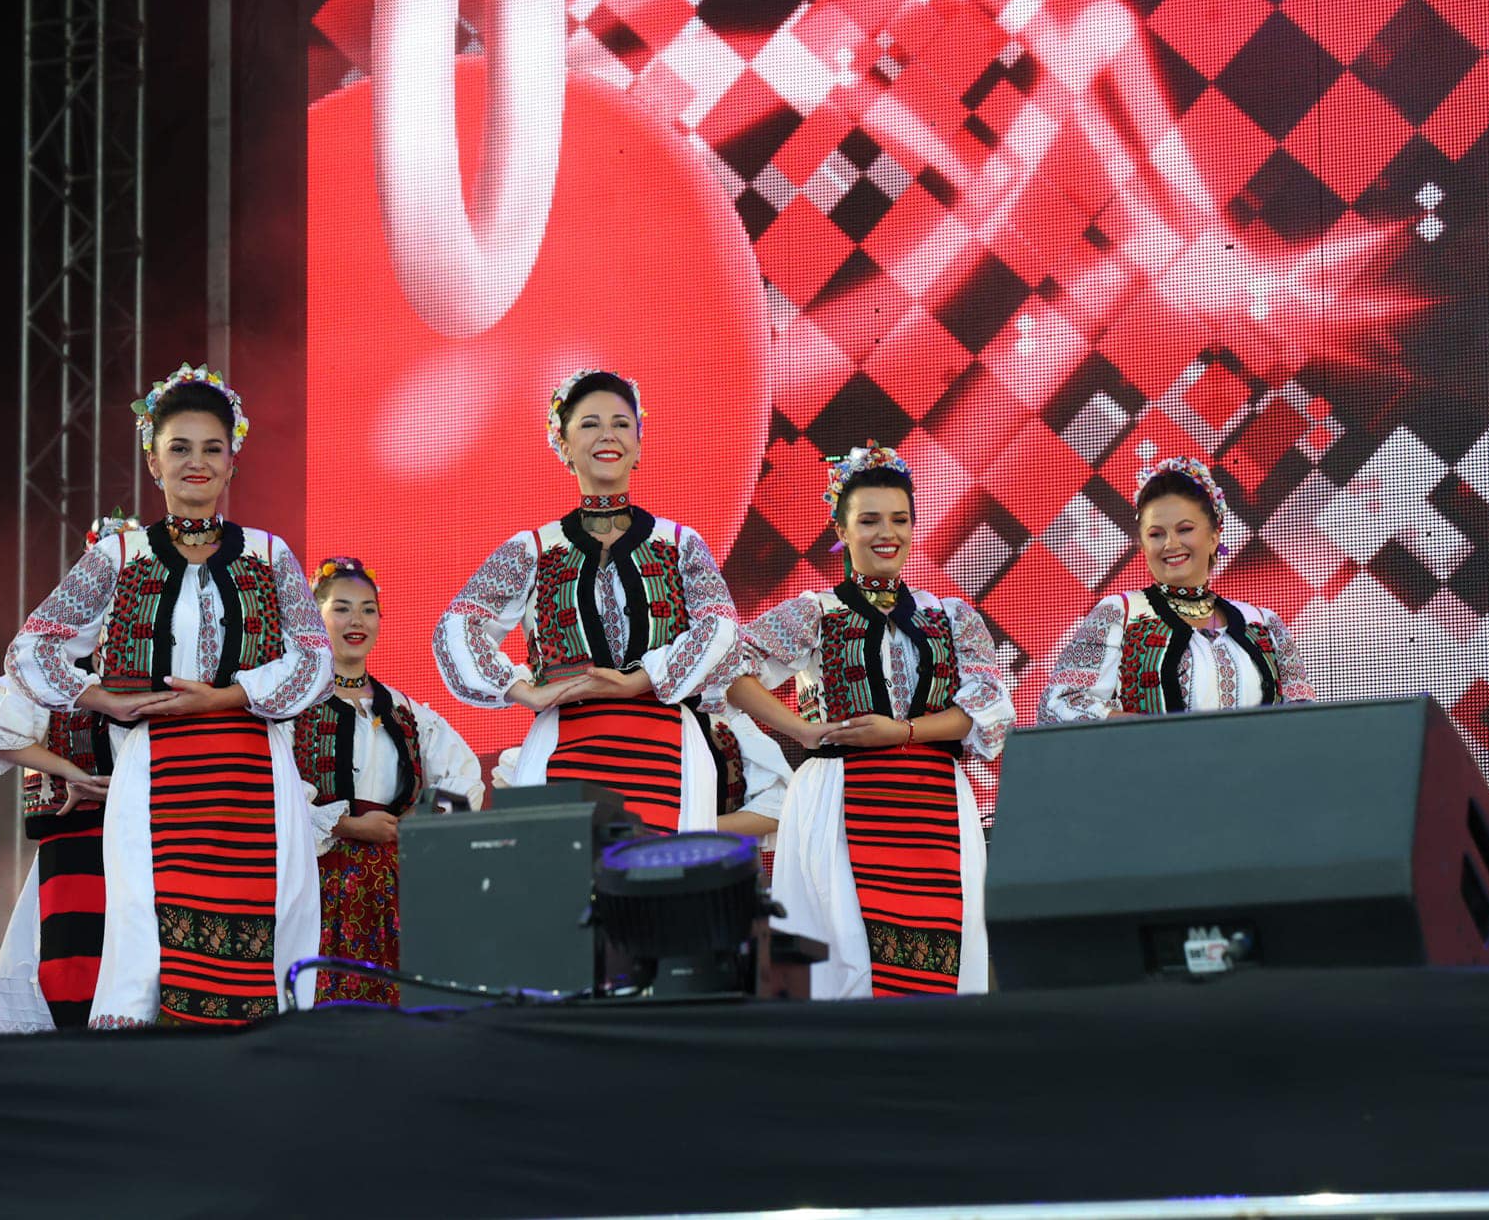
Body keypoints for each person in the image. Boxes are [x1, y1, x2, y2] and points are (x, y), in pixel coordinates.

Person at [6, 365, 334, 1028]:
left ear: (232, 462)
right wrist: (102, 698)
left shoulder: (270, 555)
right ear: (153, 462)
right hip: (156, 772)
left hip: (253, 777)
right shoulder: (119, 555)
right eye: (179, 448)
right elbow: (32, 648)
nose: (196, 462)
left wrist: (228, 697)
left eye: (212, 448)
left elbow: (314, 661)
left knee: (261, 938)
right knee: (147, 941)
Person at [727, 443, 1011, 998]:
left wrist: (902, 733)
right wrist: (801, 730)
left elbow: (987, 709)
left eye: (900, 520)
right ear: (841, 529)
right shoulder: (816, 611)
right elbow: (731, 669)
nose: (887, 533)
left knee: (944, 950)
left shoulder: (950, 617)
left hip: (934, 801)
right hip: (840, 793)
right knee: (848, 954)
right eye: (869, 520)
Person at [433, 369, 743, 833]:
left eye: (621, 424)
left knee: (661, 874)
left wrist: (640, 680)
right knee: (565, 874)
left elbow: (722, 630)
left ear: (638, 443)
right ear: (563, 444)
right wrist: (522, 688)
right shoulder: (534, 548)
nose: (607, 435)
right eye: (589, 424)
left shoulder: (680, 542)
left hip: (668, 753)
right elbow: (457, 626)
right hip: (565, 749)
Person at [0, 515, 133, 1033]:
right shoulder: (52, 663)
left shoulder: (164, 659)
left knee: (140, 961)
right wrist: (71, 771)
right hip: (77, 837)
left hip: (151, 831)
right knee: (71, 967)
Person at [299, 557, 484, 1006]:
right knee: (323, 1000)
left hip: (396, 881)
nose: (356, 621)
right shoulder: (294, 708)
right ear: (315, 618)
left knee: (402, 1003)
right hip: (318, 881)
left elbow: (465, 775)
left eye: (368, 609)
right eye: (341, 608)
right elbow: (275, 793)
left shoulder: (404, 710)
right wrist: (345, 824)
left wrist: (422, 820)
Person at [1037, 456, 1314, 722]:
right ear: (1143, 546)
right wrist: (1147, 731)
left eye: (1184, 529)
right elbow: (1058, 705)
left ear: (1214, 536)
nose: (1170, 544)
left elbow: (1305, 720)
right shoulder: (1120, 613)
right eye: (1156, 534)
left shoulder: (1265, 624)